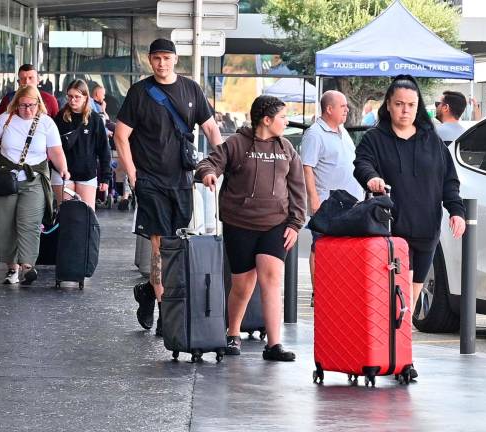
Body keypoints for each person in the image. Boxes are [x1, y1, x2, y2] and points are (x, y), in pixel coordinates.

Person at [114, 38, 223, 335]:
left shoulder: (191, 89)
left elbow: (211, 127)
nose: (161, 63)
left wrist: (225, 159)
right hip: (150, 181)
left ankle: (149, 292)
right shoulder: (140, 92)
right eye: (156, 58)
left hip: (182, 180)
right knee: (160, 244)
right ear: (150, 61)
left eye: (166, 57)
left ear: (176, 59)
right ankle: (166, 313)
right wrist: (134, 176)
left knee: (177, 243)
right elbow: (121, 136)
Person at [196, 95, 306, 360]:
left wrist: (296, 222)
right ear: (266, 120)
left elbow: (297, 187)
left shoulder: (286, 148)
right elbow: (208, 162)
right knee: (243, 285)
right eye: (282, 117)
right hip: (240, 223)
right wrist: (208, 174)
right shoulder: (236, 143)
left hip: (275, 224)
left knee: (271, 279)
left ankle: (274, 344)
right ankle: (233, 334)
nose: (286, 121)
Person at [353, 74, 466, 321]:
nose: (405, 110)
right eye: (399, 104)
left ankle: (401, 354)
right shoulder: (375, 138)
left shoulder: (432, 141)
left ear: (418, 106)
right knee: (396, 294)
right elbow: (362, 163)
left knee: (411, 299)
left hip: (426, 229)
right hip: (392, 230)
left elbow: (449, 180)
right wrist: (371, 177)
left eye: (411, 105)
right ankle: (390, 353)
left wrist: (457, 211)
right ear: (389, 105)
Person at [0, 85, 69, 285]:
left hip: (34, 178)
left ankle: (27, 266)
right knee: (6, 223)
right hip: (5, 177)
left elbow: (55, 151)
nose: (27, 109)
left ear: (39, 104)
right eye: (23, 105)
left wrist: (63, 169)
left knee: (30, 222)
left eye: (31, 105)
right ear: (16, 104)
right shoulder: (5, 119)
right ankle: (12, 268)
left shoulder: (46, 123)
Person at [299, 90, 363, 307]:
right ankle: (319, 292)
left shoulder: (342, 131)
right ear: (329, 109)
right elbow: (307, 168)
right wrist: (314, 199)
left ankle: (338, 287)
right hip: (327, 201)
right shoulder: (315, 133)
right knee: (320, 246)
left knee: (343, 248)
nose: (347, 109)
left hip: (349, 201)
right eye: (342, 106)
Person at [53, 79, 111, 210]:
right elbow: (52, 146)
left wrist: (106, 177)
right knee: (66, 215)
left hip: (87, 173)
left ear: (86, 97)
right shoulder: (60, 117)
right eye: (70, 96)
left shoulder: (95, 119)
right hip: (63, 173)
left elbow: (103, 149)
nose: (73, 100)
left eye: (77, 97)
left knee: (87, 215)